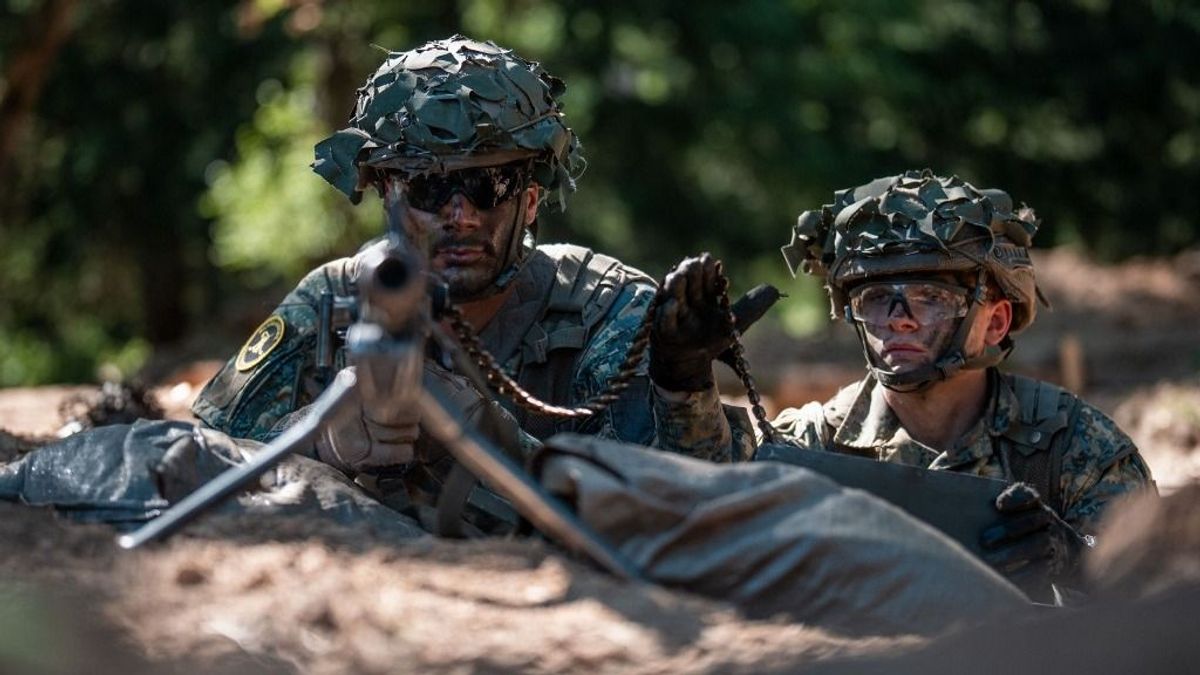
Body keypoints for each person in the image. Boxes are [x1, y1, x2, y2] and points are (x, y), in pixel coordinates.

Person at [191, 36, 664, 518]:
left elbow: (669, 500)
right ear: (386, 196)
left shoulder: (607, 308)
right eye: (428, 186)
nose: (459, 216)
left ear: (530, 199)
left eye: (488, 185)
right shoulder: (331, 299)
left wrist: (475, 429)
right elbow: (196, 457)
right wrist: (317, 436)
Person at [649, 169, 1156, 590]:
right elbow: (700, 507)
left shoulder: (1073, 447)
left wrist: (1076, 557)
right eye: (874, 299)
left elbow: (1162, 594)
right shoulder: (817, 441)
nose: (899, 319)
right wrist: (683, 380)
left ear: (995, 323)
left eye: (930, 298)